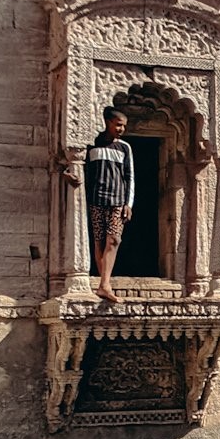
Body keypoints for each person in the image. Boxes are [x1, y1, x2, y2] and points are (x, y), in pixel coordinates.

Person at [81, 106, 134, 303]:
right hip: (96, 199)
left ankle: (104, 284)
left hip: (117, 201)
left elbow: (129, 176)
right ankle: (104, 284)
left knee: (114, 240)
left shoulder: (124, 147)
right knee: (100, 241)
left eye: (124, 126)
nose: (121, 129)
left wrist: (128, 203)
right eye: (118, 125)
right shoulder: (92, 144)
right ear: (107, 123)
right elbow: (82, 168)